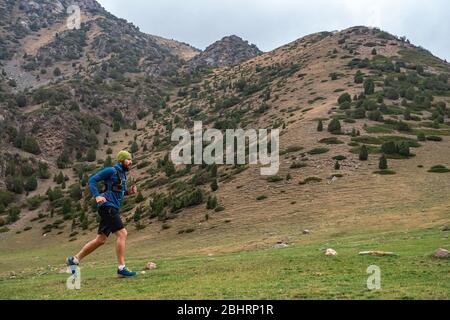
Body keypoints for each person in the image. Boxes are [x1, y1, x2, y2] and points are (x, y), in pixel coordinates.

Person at [66, 150, 138, 278]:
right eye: (128, 159)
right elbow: (92, 180)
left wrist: (128, 193)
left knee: (101, 239)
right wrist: (97, 196)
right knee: (122, 233)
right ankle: (121, 268)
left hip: (112, 207)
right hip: (107, 206)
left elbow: (118, 191)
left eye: (131, 159)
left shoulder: (122, 175)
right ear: (121, 160)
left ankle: (74, 260)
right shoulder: (111, 170)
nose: (130, 162)